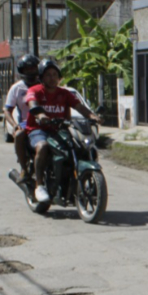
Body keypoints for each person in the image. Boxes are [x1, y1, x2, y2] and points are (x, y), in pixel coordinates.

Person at [23, 58, 97, 203]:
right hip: (38, 130)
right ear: (42, 77)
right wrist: (41, 114)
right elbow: (32, 104)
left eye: (55, 75)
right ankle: (40, 185)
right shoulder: (35, 90)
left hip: (59, 130)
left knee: (80, 146)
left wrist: (93, 116)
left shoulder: (65, 93)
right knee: (43, 146)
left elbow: (79, 107)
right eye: (48, 75)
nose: (52, 78)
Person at [4, 54, 41, 174]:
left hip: (46, 122)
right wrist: (15, 125)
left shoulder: (45, 85)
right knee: (19, 135)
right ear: (22, 70)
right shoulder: (16, 88)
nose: (31, 71)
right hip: (26, 123)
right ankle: (24, 168)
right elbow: (7, 110)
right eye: (28, 69)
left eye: (33, 68)